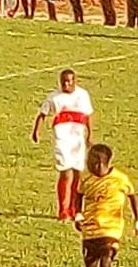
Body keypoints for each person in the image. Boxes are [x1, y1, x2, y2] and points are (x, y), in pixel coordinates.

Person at [31, 69, 93, 221]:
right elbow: (42, 114)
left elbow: (88, 116)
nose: (66, 84)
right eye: (63, 81)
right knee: (66, 172)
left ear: (74, 81)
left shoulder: (82, 95)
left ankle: (74, 208)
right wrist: (36, 131)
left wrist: (90, 135)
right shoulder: (54, 97)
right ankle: (63, 210)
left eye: (69, 81)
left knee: (77, 172)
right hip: (62, 139)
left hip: (77, 139)